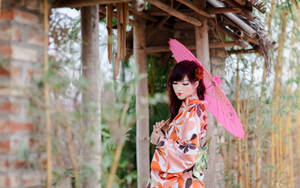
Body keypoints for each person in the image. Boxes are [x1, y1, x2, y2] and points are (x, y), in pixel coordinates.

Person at [147, 60, 208, 188]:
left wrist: (161, 141)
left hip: (180, 180)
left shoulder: (193, 111)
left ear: (196, 83)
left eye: (185, 84)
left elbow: (189, 153)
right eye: (175, 83)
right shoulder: (185, 108)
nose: (178, 88)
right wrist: (165, 132)